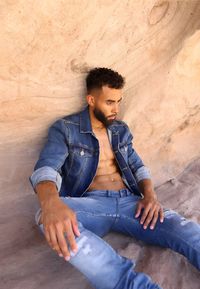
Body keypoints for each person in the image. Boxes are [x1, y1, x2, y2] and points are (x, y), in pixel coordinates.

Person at [30, 67, 200, 289]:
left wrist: (150, 196)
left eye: (119, 101)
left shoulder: (120, 130)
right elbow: (46, 168)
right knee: (47, 217)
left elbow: (137, 166)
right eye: (109, 102)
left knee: (186, 230)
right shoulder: (65, 129)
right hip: (93, 205)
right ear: (91, 99)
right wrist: (51, 203)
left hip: (132, 203)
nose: (116, 109)